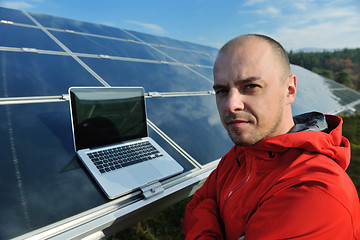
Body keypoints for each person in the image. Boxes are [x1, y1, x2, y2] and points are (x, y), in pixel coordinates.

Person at [182, 34, 360, 239]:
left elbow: (200, 208)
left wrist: (207, 214)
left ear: (289, 90)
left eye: (250, 86)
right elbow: (197, 203)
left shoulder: (315, 194)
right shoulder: (242, 154)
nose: (231, 104)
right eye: (222, 90)